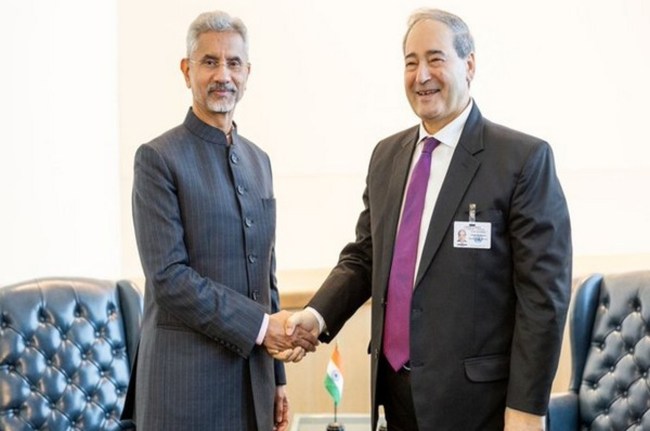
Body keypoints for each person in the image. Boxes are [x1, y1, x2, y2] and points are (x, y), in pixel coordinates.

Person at [286, 8, 572, 431]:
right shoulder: (386, 156)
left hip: (479, 407)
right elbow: (366, 257)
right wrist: (316, 315)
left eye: (435, 59)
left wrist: (527, 409)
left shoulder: (521, 160)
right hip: (395, 395)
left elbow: (543, 297)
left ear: (469, 65)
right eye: (411, 62)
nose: (422, 75)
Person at [130, 10, 317, 431]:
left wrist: (278, 378)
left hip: (254, 385)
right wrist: (262, 327)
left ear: (248, 73)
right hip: (184, 390)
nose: (223, 75)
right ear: (187, 70)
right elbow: (168, 278)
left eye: (234, 63)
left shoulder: (259, 160)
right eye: (210, 62)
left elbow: (266, 274)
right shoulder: (157, 159)